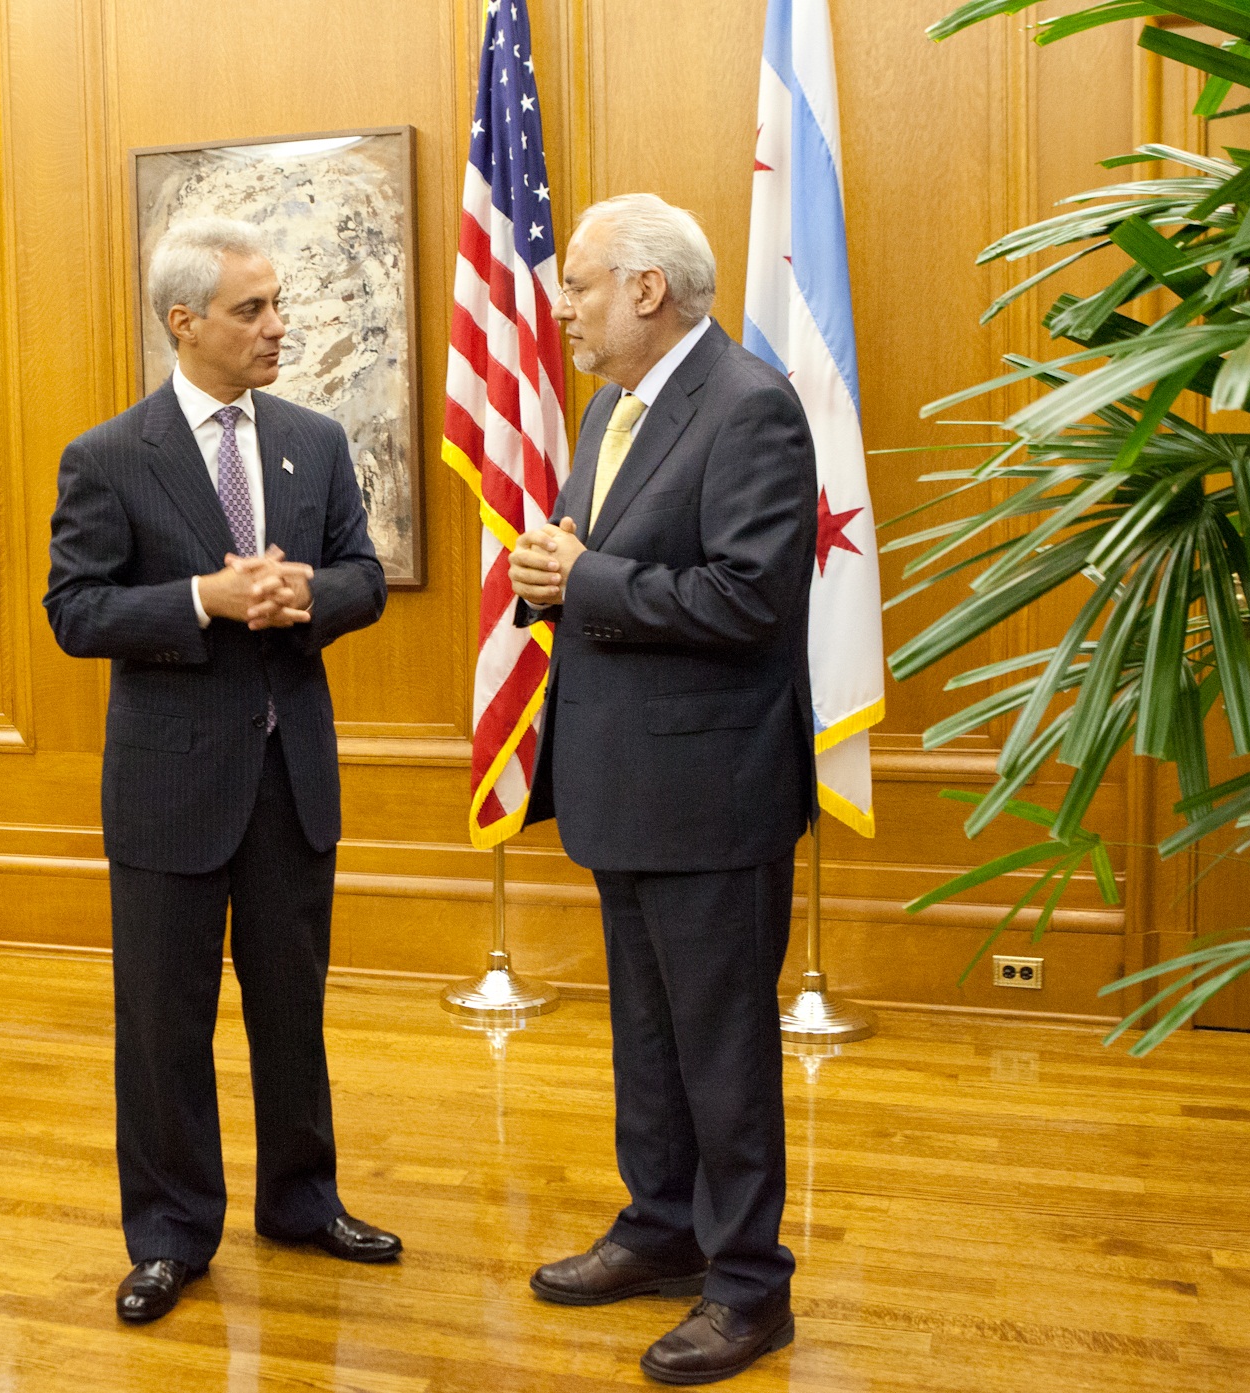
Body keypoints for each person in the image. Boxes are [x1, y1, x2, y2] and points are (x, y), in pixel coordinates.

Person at [44, 216, 399, 1326]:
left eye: (278, 303)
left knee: (291, 1008)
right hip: (168, 791)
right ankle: (166, 1233)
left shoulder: (312, 439)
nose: (277, 326)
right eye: (252, 309)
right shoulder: (108, 456)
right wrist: (204, 599)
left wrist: (306, 598)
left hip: (291, 780)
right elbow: (75, 610)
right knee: (162, 1022)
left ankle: (302, 1199)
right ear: (182, 321)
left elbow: (364, 574)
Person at [508, 193, 817, 1385]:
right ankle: (661, 1228)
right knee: (647, 1037)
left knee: (723, 1053)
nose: (562, 305)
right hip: (622, 781)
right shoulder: (612, 407)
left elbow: (747, 603)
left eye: (579, 283)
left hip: (712, 795)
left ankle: (748, 1287)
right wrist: (556, 576)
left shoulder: (747, 407)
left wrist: (586, 578)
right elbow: (614, 567)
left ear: (645, 290)